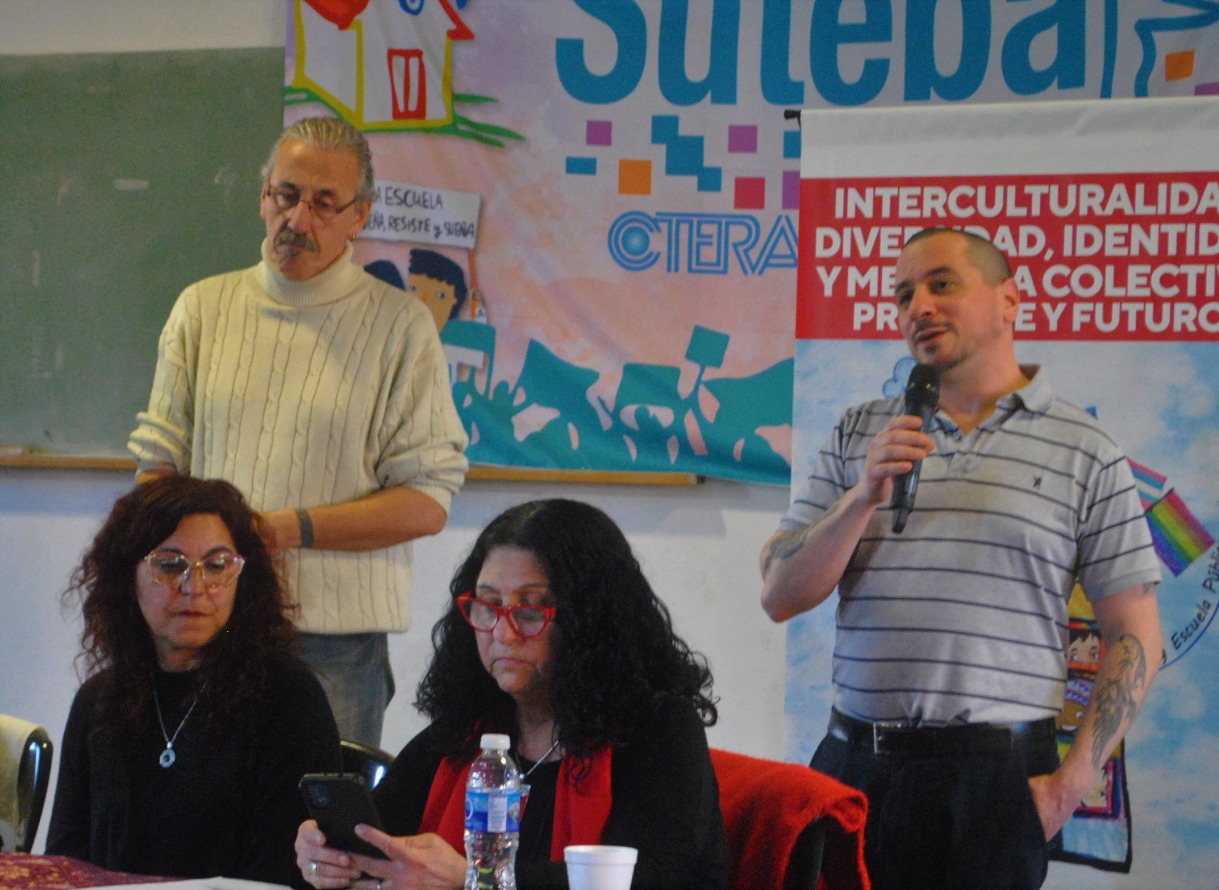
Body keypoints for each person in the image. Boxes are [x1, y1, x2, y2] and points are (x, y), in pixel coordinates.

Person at [758, 227, 1163, 889]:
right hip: (856, 765)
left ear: (1010, 301)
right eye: (903, 295)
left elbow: (1134, 633)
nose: (918, 306)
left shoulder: (1085, 448)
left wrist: (1069, 786)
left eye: (941, 284)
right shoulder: (860, 432)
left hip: (996, 782)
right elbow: (780, 595)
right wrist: (861, 497)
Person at [127, 116, 469, 747]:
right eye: (286, 195)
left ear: (359, 216)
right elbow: (157, 469)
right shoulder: (201, 309)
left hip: (334, 647)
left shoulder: (401, 327)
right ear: (264, 197)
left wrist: (284, 531)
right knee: (197, 805)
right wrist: (193, 569)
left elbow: (425, 503)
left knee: (321, 810)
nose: (298, 219)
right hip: (203, 626)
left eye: (323, 203)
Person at [296, 499, 729, 890]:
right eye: (488, 605)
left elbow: (652, 877)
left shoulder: (660, 727)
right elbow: (382, 839)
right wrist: (328, 855)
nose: (502, 633)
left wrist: (473, 879)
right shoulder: (468, 731)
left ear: (591, 621)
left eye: (529, 610)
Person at [46, 475, 342, 888]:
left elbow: (287, 874)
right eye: (170, 566)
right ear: (127, 577)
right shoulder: (99, 701)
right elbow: (65, 863)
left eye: (217, 566)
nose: (195, 587)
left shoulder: (288, 697)